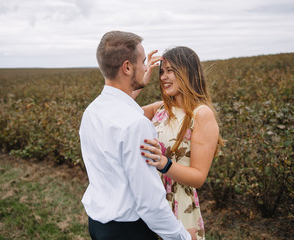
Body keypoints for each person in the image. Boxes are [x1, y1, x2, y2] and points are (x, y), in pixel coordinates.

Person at [79, 31, 191, 240]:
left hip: (97, 225)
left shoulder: (92, 111)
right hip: (128, 231)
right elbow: (149, 201)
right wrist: (181, 236)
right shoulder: (136, 125)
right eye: (142, 62)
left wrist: (138, 82)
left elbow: (119, 106)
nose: (147, 67)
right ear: (128, 67)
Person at [136, 46, 225, 240]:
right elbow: (121, 112)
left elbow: (198, 177)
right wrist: (140, 83)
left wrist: (163, 163)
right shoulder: (161, 108)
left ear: (188, 73)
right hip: (151, 200)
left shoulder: (202, 114)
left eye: (171, 71)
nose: (163, 77)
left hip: (177, 205)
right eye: (161, 72)